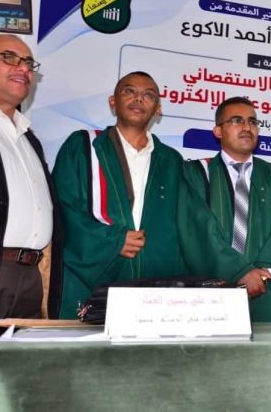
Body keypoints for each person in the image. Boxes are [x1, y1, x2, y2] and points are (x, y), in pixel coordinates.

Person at [53, 71, 185, 318]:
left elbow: (184, 225)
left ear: (158, 109)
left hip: (155, 286)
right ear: (113, 102)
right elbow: (63, 208)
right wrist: (113, 241)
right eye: (129, 91)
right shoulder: (83, 146)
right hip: (90, 277)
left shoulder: (172, 161)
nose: (139, 99)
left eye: (149, 95)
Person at [178, 96, 271, 322]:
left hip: (267, 288)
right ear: (218, 131)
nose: (247, 127)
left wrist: (261, 273)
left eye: (252, 122)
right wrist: (240, 271)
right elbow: (198, 231)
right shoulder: (195, 173)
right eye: (236, 121)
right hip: (213, 289)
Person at [0, 34, 63, 320]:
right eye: (9, 58)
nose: (23, 68)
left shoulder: (28, 139)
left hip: (31, 277)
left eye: (28, 63)